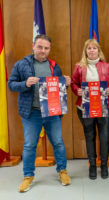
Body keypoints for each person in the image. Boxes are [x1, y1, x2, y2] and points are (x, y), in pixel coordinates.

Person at [8, 34, 71, 192]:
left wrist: (66, 83)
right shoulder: (21, 64)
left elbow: (59, 89)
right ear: (33, 46)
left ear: (49, 49)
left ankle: (62, 171)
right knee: (30, 146)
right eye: (40, 47)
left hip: (52, 112)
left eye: (46, 48)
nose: (43, 50)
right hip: (32, 113)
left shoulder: (54, 66)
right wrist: (25, 83)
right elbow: (11, 84)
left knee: (58, 142)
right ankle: (28, 176)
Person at [71, 39, 109, 180]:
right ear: (85, 51)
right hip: (85, 107)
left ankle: (103, 166)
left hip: (104, 107)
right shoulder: (79, 67)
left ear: (98, 50)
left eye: (94, 48)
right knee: (89, 136)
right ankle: (93, 166)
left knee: (104, 137)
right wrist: (76, 90)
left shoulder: (107, 66)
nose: (91, 50)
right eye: (88, 48)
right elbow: (73, 83)